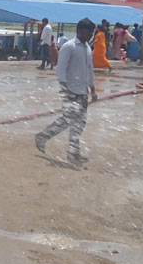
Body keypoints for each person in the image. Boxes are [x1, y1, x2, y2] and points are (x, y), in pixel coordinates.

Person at [35, 18, 97, 168]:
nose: (91, 35)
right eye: (89, 32)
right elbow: (61, 69)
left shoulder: (87, 48)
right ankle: (44, 136)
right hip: (71, 90)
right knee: (68, 120)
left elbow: (90, 70)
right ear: (80, 31)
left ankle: (73, 152)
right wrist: (65, 89)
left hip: (82, 91)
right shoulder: (69, 47)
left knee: (79, 123)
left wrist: (92, 89)